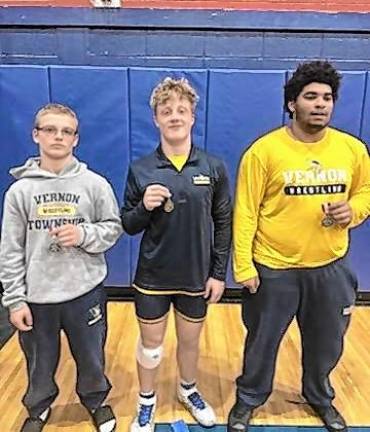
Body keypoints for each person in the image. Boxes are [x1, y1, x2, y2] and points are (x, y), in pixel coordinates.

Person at [228, 61, 370, 432]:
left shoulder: (352, 150)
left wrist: (351, 211)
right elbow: (245, 213)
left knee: (327, 344)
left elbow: (366, 192)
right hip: (274, 268)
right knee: (262, 344)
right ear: (292, 103)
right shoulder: (263, 152)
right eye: (311, 97)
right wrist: (244, 266)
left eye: (327, 97)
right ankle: (248, 400)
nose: (320, 104)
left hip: (330, 266)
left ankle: (319, 397)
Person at [0, 103, 122, 432]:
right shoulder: (19, 191)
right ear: (36, 135)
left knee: (91, 356)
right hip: (38, 296)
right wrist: (15, 299)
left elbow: (113, 228)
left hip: (85, 292)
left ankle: (96, 401)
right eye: (50, 130)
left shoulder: (94, 184)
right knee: (39, 362)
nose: (58, 136)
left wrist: (84, 234)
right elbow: (10, 249)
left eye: (66, 131)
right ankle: (38, 409)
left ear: (75, 139)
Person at [121, 77, 232, 432]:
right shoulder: (140, 169)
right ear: (155, 118)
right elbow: (128, 224)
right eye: (166, 110)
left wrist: (218, 273)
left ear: (193, 116)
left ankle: (188, 390)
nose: (174, 116)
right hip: (153, 276)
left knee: (189, 342)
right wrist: (144, 207)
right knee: (151, 349)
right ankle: (146, 401)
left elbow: (223, 221)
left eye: (181, 110)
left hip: (196, 276)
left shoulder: (212, 167)